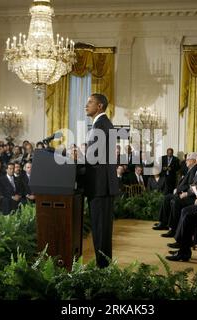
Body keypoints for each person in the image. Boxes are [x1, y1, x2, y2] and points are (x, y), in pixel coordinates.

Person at [83, 93, 119, 268]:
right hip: (102, 185)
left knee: (101, 230)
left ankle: (103, 268)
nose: (86, 105)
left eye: (90, 102)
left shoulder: (100, 125)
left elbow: (93, 158)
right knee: (102, 230)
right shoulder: (104, 124)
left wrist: (78, 159)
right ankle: (104, 266)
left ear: (99, 106)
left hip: (100, 186)